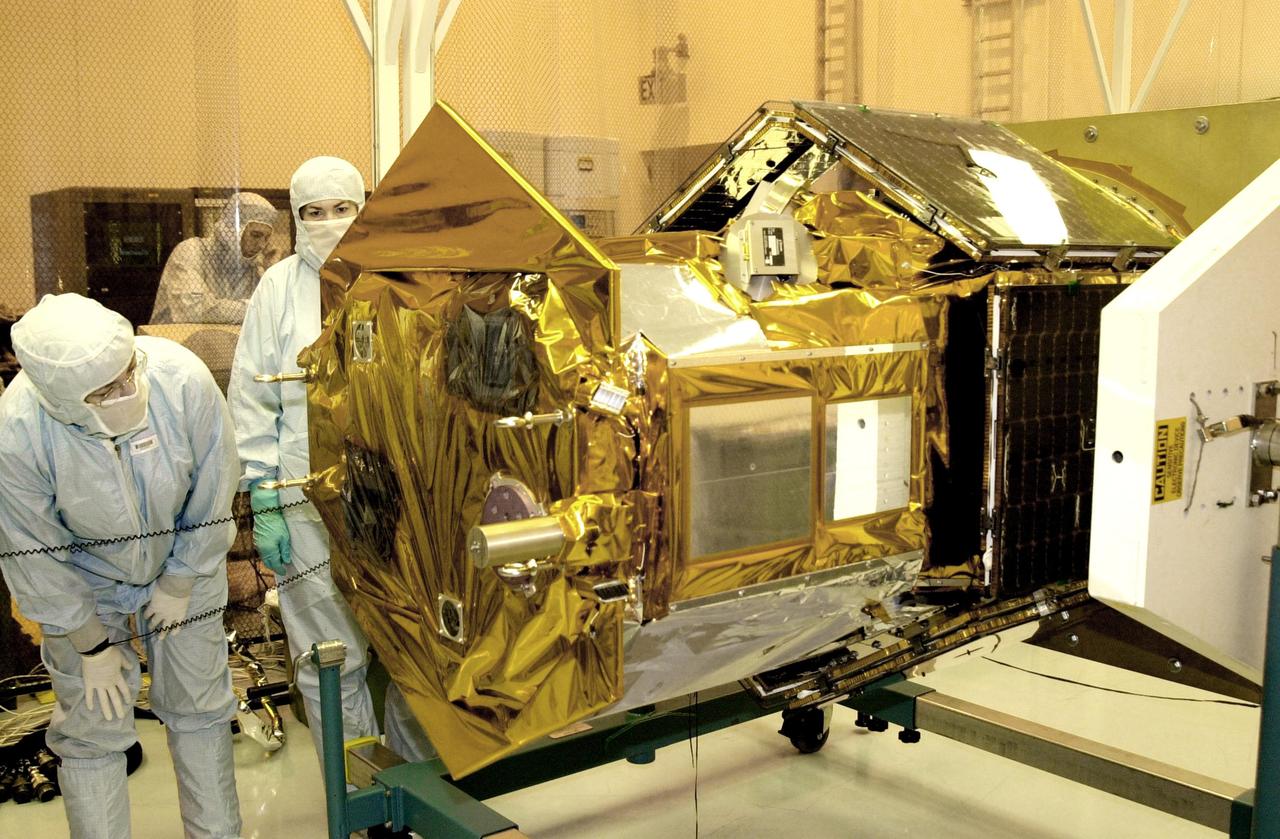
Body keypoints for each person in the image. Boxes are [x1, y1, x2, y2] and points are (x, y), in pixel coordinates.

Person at [0, 293, 242, 839]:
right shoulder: (18, 430)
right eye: (103, 390)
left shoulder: (182, 379)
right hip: (86, 582)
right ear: (60, 399)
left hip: (185, 560)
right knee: (90, 734)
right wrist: (89, 645)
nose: (127, 391)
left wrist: (181, 579)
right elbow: (31, 550)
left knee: (201, 715)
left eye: (128, 371)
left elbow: (214, 483)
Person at [228, 156, 378, 763]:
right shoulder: (278, 288)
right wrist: (263, 493)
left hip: (394, 495)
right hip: (302, 493)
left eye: (343, 209)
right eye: (313, 213)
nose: (329, 223)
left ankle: (416, 785)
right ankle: (357, 789)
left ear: (365, 209)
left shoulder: (396, 277)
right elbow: (252, 392)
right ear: (294, 219)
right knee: (328, 653)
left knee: (409, 645)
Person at [150, 191, 281, 324]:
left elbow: (278, 313)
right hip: (171, 343)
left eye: (266, 238)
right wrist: (257, 308)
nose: (261, 245)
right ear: (232, 230)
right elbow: (194, 311)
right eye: (256, 235)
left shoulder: (255, 269)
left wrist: (273, 273)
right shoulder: (192, 251)